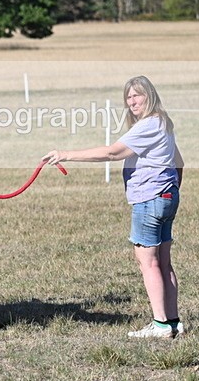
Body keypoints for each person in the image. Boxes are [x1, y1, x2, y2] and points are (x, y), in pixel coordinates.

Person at [42, 76, 185, 339]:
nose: (132, 102)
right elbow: (179, 162)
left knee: (148, 263)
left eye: (137, 95)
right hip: (166, 197)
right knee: (163, 263)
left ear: (149, 95)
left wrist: (65, 154)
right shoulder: (164, 123)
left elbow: (112, 153)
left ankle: (161, 325)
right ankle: (173, 321)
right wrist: (171, 189)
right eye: (128, 97)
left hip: (149, 199)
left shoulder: (148, 125)